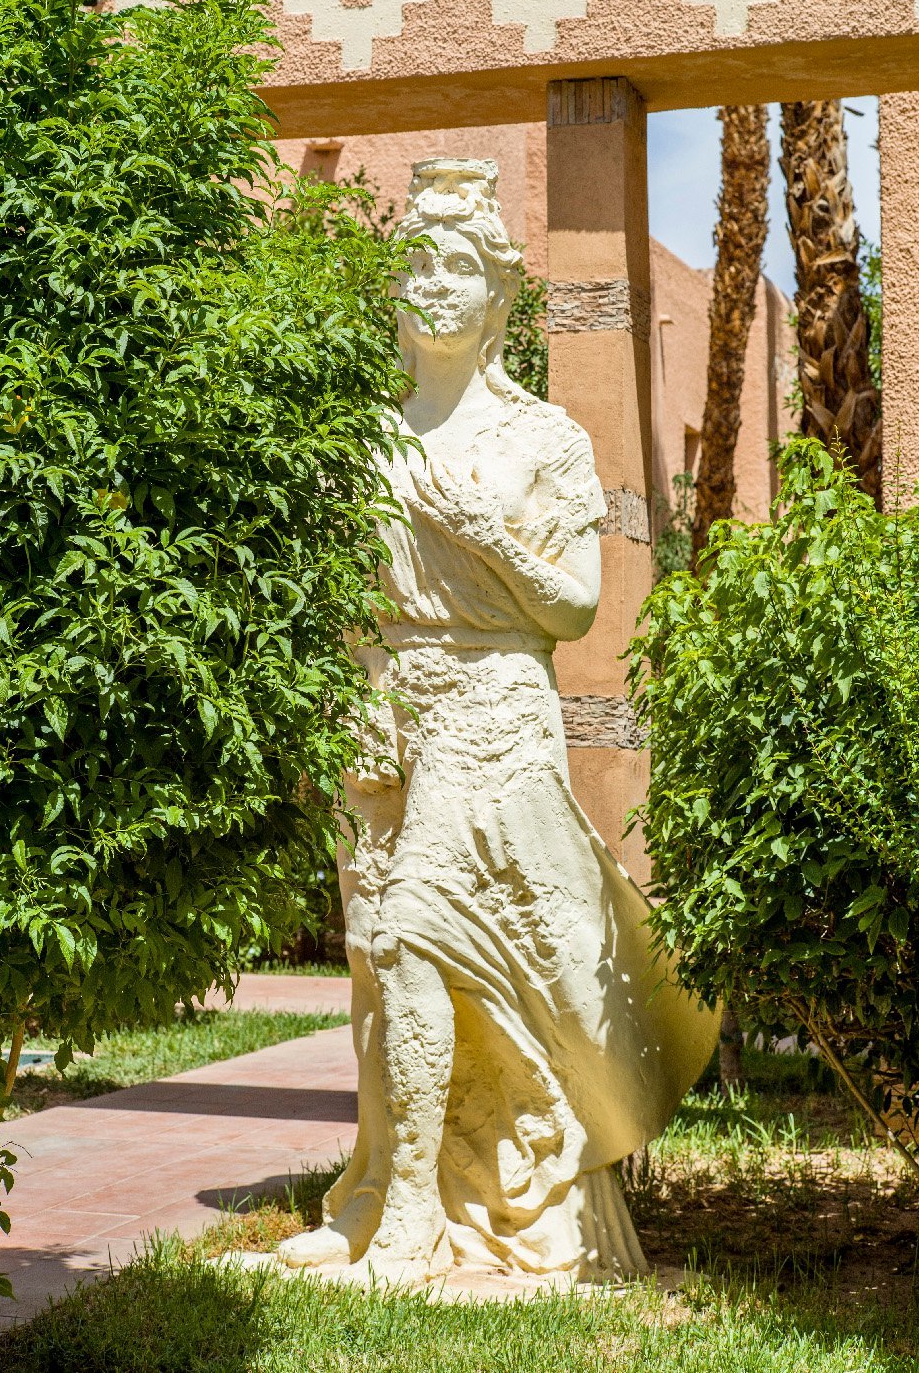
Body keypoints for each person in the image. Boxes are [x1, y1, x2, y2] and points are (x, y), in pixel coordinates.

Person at [279, 158, 715, 1284]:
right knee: (380, 959)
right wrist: (348, 696)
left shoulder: (544, 441)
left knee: (419, 928)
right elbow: (338, 596)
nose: (431, 282)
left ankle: (420, 1217)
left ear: (498, 297)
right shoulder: (361, 439)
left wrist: (479, 526)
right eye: (415, 261)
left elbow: (569, 605)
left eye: (457, 264)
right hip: (384, 708)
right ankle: (379, 1192)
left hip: (493, 706)